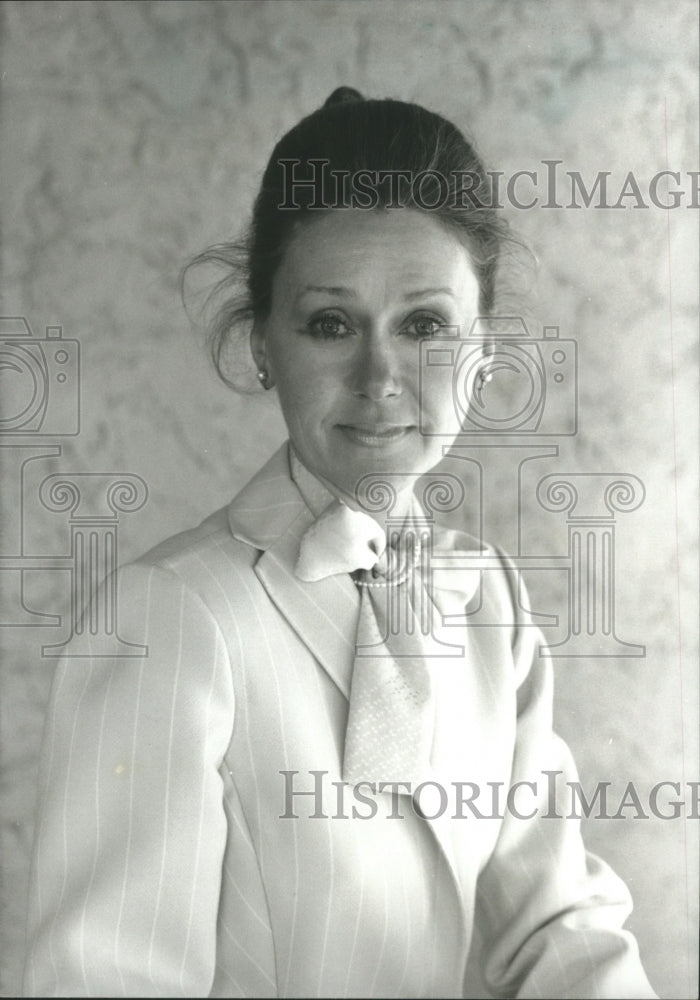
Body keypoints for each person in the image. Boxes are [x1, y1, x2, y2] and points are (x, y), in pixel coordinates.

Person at [22, 88, 657, 999]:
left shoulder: (489, 601)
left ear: (483, 352)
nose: (380, 376)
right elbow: (106, 981)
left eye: (424, 325)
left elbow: (557, 926)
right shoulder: (168, 616)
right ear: (263, 346)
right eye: (330, 324)